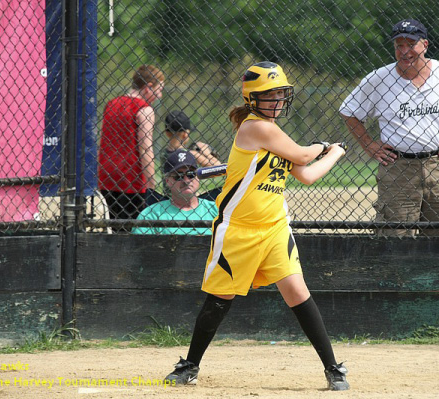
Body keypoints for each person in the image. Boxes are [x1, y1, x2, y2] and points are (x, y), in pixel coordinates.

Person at [164, 61, 349, 391]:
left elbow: (305, 175)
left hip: (275, 226)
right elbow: (305, 157)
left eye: (281, 93)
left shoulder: (275, 133)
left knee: (296, 291)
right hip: (238, 229)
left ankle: (333, 368)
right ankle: (189, 366)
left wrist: (335, 153)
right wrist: (322, 147)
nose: (278, 100)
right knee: (221, 296)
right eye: (271, 94)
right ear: (253, 99)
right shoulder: (255, 127)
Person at [339, 19, 439, 237]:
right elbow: (348, 111)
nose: (405, 51)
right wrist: (369, 145)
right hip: (398, 167)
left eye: (411, 44)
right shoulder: (379, 79)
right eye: (399, 45)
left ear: (425, 45)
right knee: (395, 238)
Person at [98, 65, 166, 230]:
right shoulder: (144, 109)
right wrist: (151, 182)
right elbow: (145, 149)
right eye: (159, 89)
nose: (160, 95)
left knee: (113, 226)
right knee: (135, 229)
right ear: (149, 87)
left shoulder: (112, 104)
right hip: (131, 180)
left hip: (107, 177)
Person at [133, 150, 218, 235]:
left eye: (191, 174)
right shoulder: (151, 215)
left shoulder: (217, 210)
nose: (186, 180)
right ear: (167, 181)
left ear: (198, 177)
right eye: (178, 176)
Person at [158, 111, 222, 203]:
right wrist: (205, 152)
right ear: (185, 134)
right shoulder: (190, 154)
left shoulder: (163, 154)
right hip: (187, 199)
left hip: (169, 199)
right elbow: (218, 168)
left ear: (167, 133)